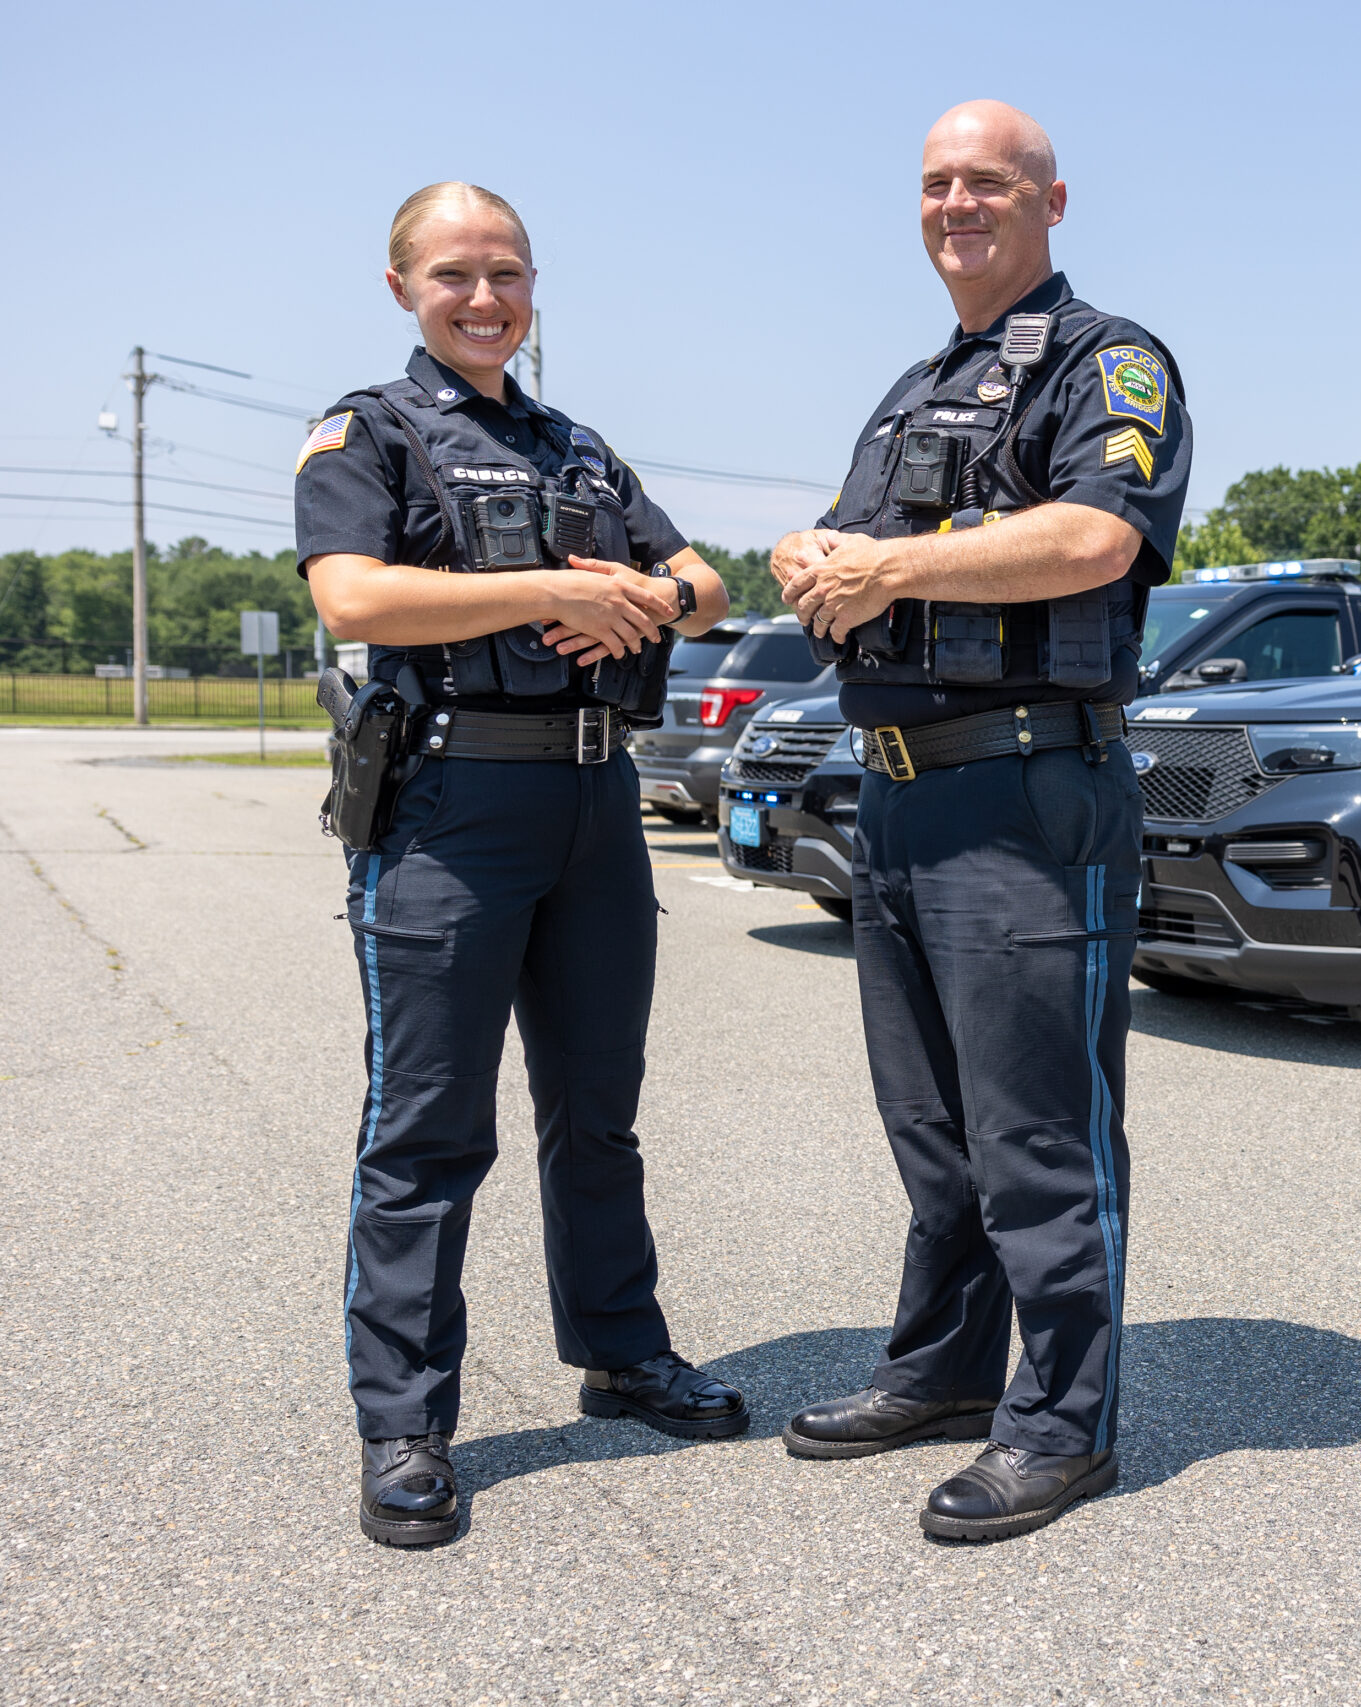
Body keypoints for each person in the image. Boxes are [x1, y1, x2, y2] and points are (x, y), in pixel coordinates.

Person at [299, 182, 748, 1548]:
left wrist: (650, 598)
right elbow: (353, 595)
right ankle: (406, 1425)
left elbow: (709, 583)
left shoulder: (581, 450)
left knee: (597, 1111)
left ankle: (621, 1354)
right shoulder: (368, 431)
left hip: (596, 804)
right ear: (402, 291)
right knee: (430, 1130)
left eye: (506, 274)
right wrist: (555, 591)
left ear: (533, 286)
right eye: (454, 275)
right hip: (452, 805)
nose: (484, 298)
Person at [769, 101, 1192, 1541]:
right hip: (896, 791)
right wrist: (807, 552)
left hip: (1026, 793)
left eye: (988, 183)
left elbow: (1094, 537)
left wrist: (883, 565)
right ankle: (944, 1372)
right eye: (939, 184)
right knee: (934, 1127)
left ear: (1051, 201)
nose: (959, 204)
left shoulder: (1105, 362)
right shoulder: (913, 386)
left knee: (1039, 1132)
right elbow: (853, 545)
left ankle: (1063, 1424)